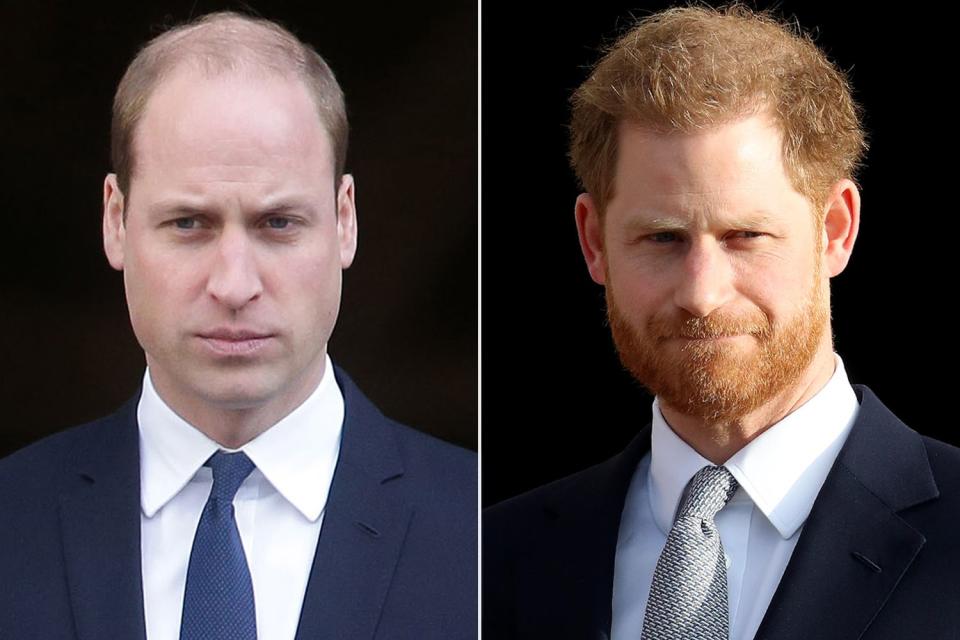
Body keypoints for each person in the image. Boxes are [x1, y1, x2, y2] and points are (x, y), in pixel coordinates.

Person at [483, 5, 960, 639]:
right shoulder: (492, 561)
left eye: (746, 236)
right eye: (661, 238)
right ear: (593, 242)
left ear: (835, 230)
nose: (702, 294)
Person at [0, 11, 476, 640]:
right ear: (116, 220)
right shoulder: (11, 520)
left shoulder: (483, 528)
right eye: (188, 224)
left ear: (345, 220)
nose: (233, 284)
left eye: (277, 223)